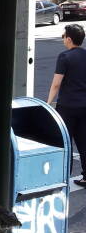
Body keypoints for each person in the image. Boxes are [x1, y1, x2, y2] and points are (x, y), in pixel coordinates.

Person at [47, 23, 86, 186]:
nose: (63, 39)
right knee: (84, 141)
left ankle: (64, 176)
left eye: (63, 36)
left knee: (65, 141)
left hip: (67, 107)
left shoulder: (64, 57)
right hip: (84, 106)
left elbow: (56, 84)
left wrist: (48, 103)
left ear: (69, 39)